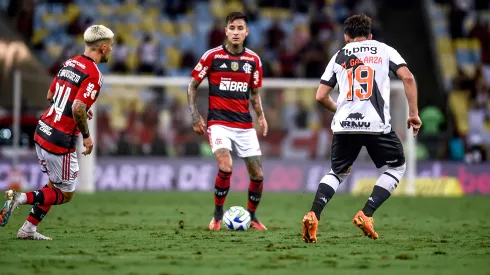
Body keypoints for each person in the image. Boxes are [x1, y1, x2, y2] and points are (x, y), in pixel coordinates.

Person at [301, 14, 422, 243]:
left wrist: (340, 110)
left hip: (345, 124)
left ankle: (313, 214)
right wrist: (413, 114)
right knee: (397, 167)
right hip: (376, 125)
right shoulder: (384, 50)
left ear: (346, 36)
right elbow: (407, 78)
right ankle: (366, 214)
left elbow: (320, 96)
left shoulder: (339, 54)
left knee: (336, 173)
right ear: (370, 35)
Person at [0, 25, 114, 240]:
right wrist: (87, 137)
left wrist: (76, 108)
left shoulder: (69, 63)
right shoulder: (94, 74)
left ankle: (28, 229)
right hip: (59, 140)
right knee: (64, 194)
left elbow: (51, 94)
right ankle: (19, 198)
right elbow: (78, 107)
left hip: (42, 130)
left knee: (53, 184)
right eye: (112, 47)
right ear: (104, 48)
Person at [187, 12, 268, 230]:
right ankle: (217, 215)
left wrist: (261, 116)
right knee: (226, 166)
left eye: (240, 28)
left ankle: (251, 217)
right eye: (232, 28)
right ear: (226, 31)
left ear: (246, 32)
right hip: (219, 123)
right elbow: (192, 85)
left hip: (244, 125)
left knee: (258, 174)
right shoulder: (212, 56)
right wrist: (195, 115)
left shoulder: (253, 60)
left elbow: (254, 93)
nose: (236, 32)